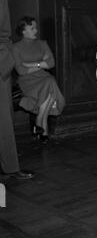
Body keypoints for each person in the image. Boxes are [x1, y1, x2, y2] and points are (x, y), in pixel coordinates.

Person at [12, 17, 65, 145]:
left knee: (49, 81)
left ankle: (40, 121)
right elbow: (21, 71)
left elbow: (51, 63)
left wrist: (31, 65)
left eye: (36, 27)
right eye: (32, 28)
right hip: (27, 81)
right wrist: (41, 63)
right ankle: (42, 125)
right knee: (50, 81)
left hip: (42, 77)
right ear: (23, 31)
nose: (36, 30)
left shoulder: (42, 43)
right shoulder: (15, 47)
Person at [0, 0, 34, 180]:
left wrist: (5, 64)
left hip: (0, 69)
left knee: (4, 120)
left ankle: (10, 168)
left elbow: (4, 36)